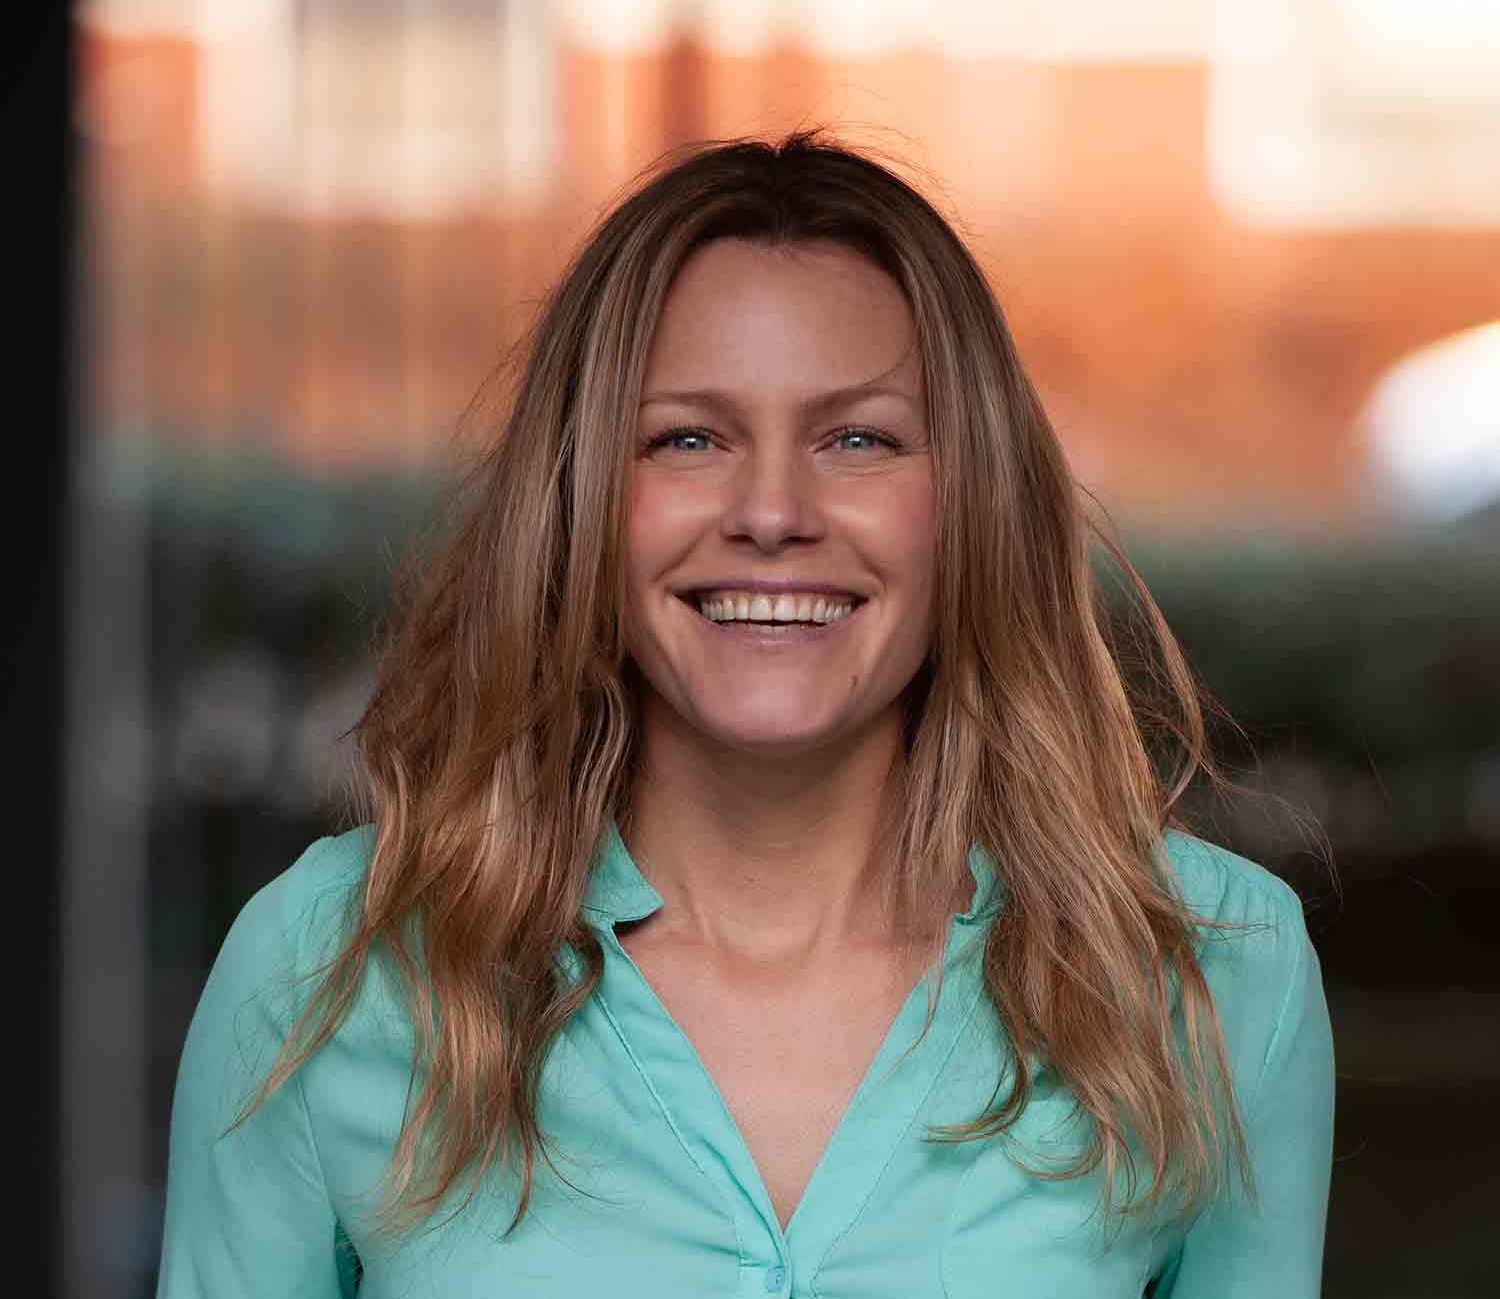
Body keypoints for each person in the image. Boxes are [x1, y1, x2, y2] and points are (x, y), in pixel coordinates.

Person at [156, 131, 1335, 1298]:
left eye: (857, 437)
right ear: (582, 502)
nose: (772, 510)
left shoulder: (1212, 976)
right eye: (688, 438)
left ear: (970, 498)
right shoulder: (326, 969)